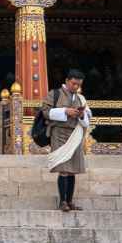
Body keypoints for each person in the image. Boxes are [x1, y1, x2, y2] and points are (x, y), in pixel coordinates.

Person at [40, 69, 92, 211]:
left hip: (75, 134)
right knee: (63, 168)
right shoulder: (54, 94)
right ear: (67, 80)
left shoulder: (81, 98)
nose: (76, 87)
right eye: (74, 83)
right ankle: (62, 201)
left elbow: (88, 118)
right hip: (59, 133)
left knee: (72, 170)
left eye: (79, 85)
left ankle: (69, 201)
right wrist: (65, 111)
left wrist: (81, 115)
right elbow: (45, 112)